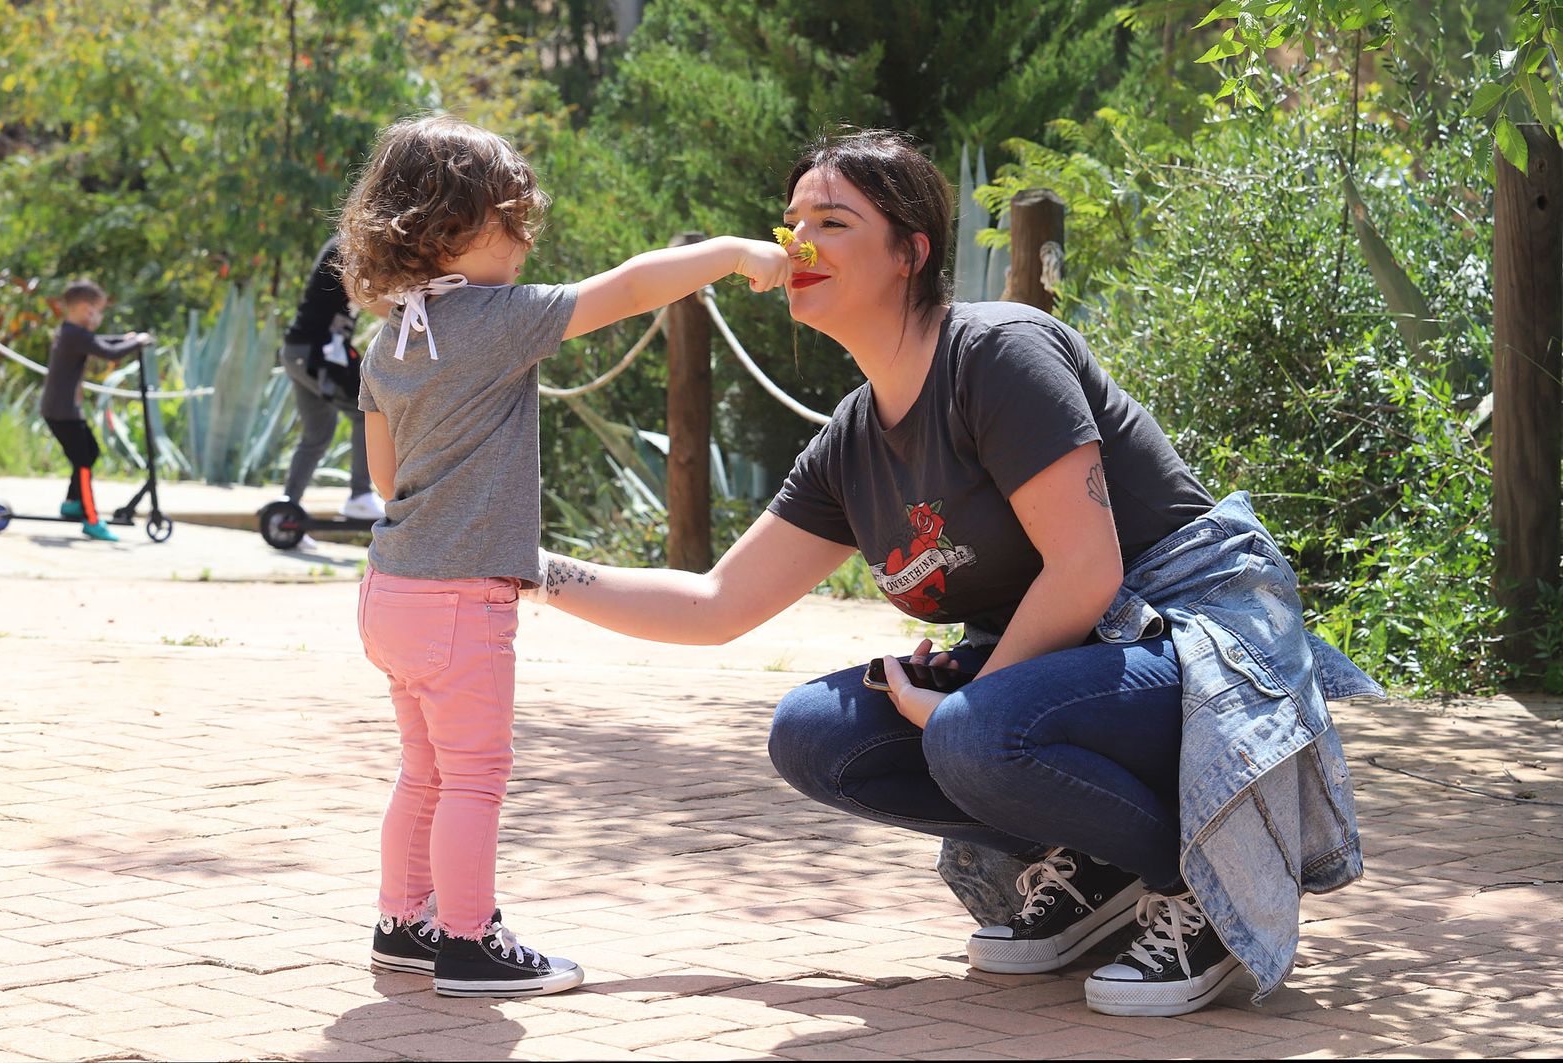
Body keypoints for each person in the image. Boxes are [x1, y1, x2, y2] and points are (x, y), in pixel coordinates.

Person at [521, 129, 1384, 1018]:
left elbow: (1086, 571)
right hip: (1070, 666)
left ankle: (1205, 889)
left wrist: (966, 704)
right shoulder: (852, 442)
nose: (798, 245)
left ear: (911, 251)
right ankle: (1099, 871)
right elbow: (715, 604)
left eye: (832, 222)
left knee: (973, 734)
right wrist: (525, 567)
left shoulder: (999, 353)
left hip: (1198, 643)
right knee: (815, 732)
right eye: (790, 224)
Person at [340, 114, 791, 997]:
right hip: (461, 601)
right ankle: (468, 941)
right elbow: (631, 287)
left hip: (389, 592)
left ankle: (403, 921)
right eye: (513, 221)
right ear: (450, 228)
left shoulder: (390, 338)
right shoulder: (501, 318)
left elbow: (387, 480)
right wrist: (733, 252)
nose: (527, 240)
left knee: (423, 769)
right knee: (476, 776)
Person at [278, 235, 383, 549]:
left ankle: (285, 513)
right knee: (368, 409)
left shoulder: (354, 246)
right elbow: (360, 293)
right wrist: (410, 308)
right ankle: (360, 495)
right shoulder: (347, 246)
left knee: (317, 433)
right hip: (315, 353)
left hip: (302, 351)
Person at [39, 279, 152, 542]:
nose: (98, 317)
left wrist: (125, 339)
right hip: (62, 412)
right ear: (83, 309)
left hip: (62, 411)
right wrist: (139, 342)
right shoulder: (74, 335)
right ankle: (91, 519)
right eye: (97, 311)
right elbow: (110, 353)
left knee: (90, 452)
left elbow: (98, 342)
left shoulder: (71, 333)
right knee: (83, 464)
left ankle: (72, 503)